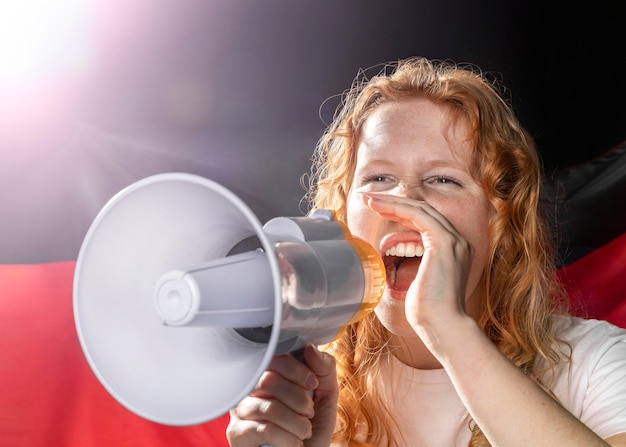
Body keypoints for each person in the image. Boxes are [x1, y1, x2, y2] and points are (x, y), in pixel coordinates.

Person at [226, 57, 626, 446]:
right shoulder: (301, 389)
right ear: (343, 214)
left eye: (443, 180)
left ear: (501, 222)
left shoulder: (595, 363)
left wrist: (448, 330)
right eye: (379, 177)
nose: (406, 202)